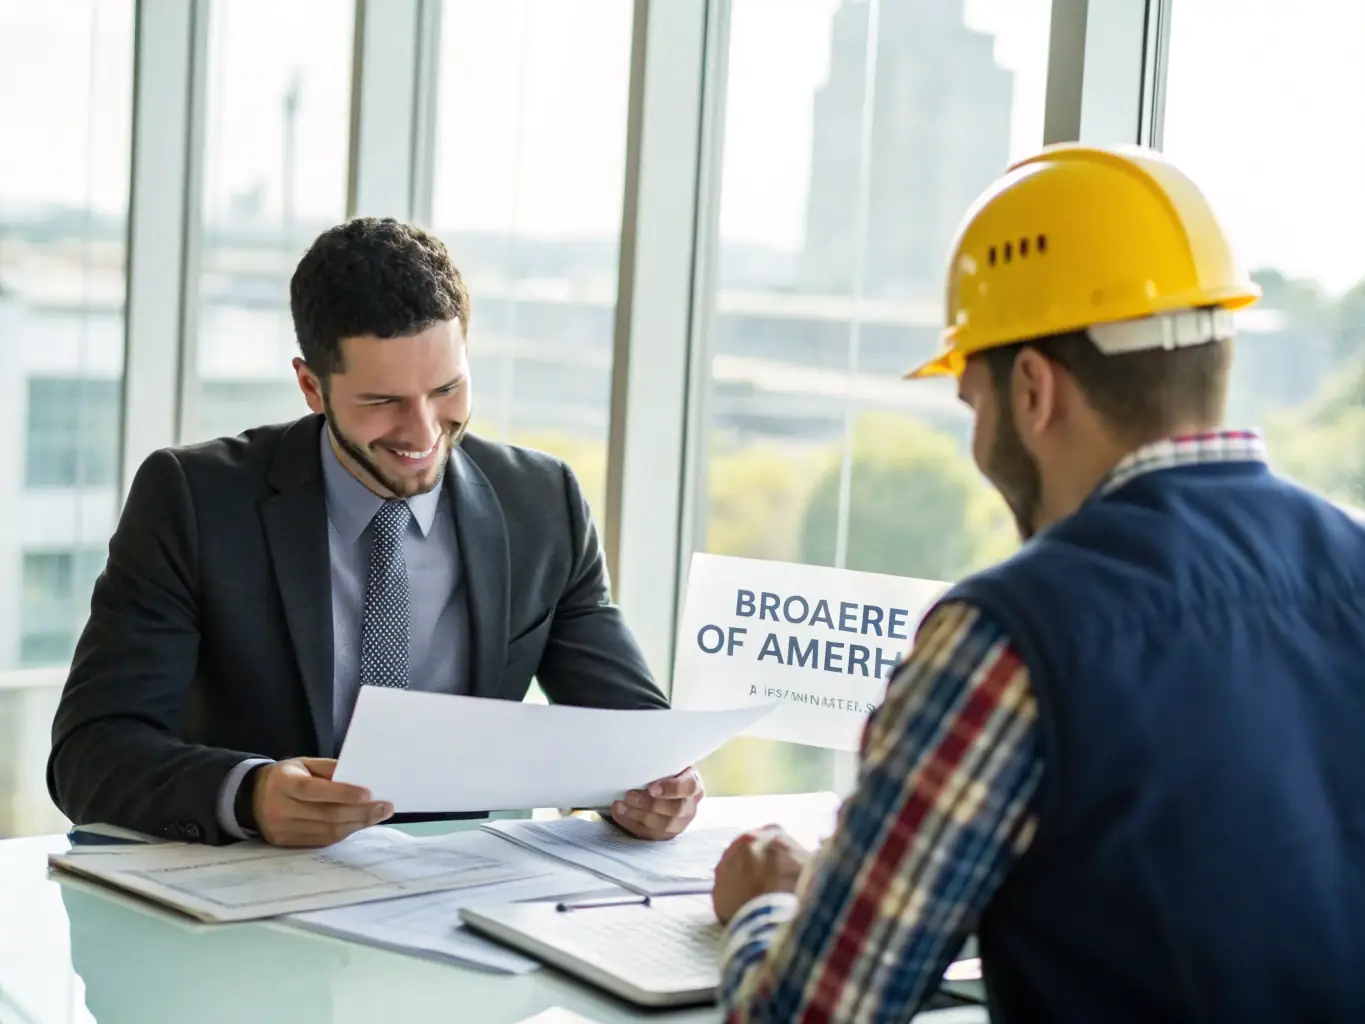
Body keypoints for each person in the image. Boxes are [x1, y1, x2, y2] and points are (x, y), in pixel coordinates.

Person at [709, 143, 1365, 1021]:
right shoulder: (1350, 563)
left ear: (1030, 391)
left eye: (972, 405)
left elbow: (808, 1014)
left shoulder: (1006, 639)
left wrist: (767, 906)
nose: (979, 444)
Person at [47, 217, 703, 848]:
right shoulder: (194, 500)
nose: (422, 434)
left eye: (446, 388)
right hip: (257, 903)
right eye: (382, 402)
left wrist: (657, 793)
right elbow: (90, 753)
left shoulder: (542, 502)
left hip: (464, 901)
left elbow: (635, 736)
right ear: (312, 387)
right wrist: (250, 796)